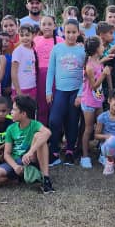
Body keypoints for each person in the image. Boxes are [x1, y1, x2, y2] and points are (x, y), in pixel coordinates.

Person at [0, 95, 54, 193]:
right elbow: (7, 154)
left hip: (31, 159)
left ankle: (46, 179)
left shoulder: (35, 124)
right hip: (17, 162)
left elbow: (48, 133)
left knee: (39, 136)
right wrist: (15, 166)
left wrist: (30, 152)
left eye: (14, 109)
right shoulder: (11, 128)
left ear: (23, 114)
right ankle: (19, 178)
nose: (11, 112)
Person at [46, 19, 86, 164]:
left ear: (78, 33)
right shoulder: (57, 49)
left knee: (72, 121)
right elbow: (50, 71)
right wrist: (48, 91)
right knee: (54, 120)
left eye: (73, 32)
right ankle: (54, 151)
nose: (70, 35)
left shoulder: (82, 50)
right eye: (68, 32)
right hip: (60, 91)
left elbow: (85, 75)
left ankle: (70, 150)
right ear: (63, 32)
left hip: (75, 92)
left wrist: (81, 94)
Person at [80, 36, 109, 169]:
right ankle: (85, 156)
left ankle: (103, 154)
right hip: (89, 102)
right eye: (102, 45)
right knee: (88, 129)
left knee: (102, 126)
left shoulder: (98, 62)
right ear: (96, 49)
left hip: (98, 100)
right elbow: (93, 86)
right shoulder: (89, 66)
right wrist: (104, 75)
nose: (104, 47)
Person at [33, 15, 59, 124]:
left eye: (49, 24)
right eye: (44, 24)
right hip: (40, 75)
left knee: (54, 103)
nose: (47, 27)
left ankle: (56, 133)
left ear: (55, 26)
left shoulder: (60, 40)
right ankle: (41, 131)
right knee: (42, 104)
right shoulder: (35, 40)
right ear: (40, 26)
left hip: (56, 76)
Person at [11, 24, 38, 100]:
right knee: (20, 111)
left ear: (33, 36)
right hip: (21, 89)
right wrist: (18, 91)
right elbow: (13, 72)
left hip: (32, 87)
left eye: (27, 35)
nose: (24, 38)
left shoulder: (33, 50)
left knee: (30, 110)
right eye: (22, 35)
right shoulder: (18, 51)